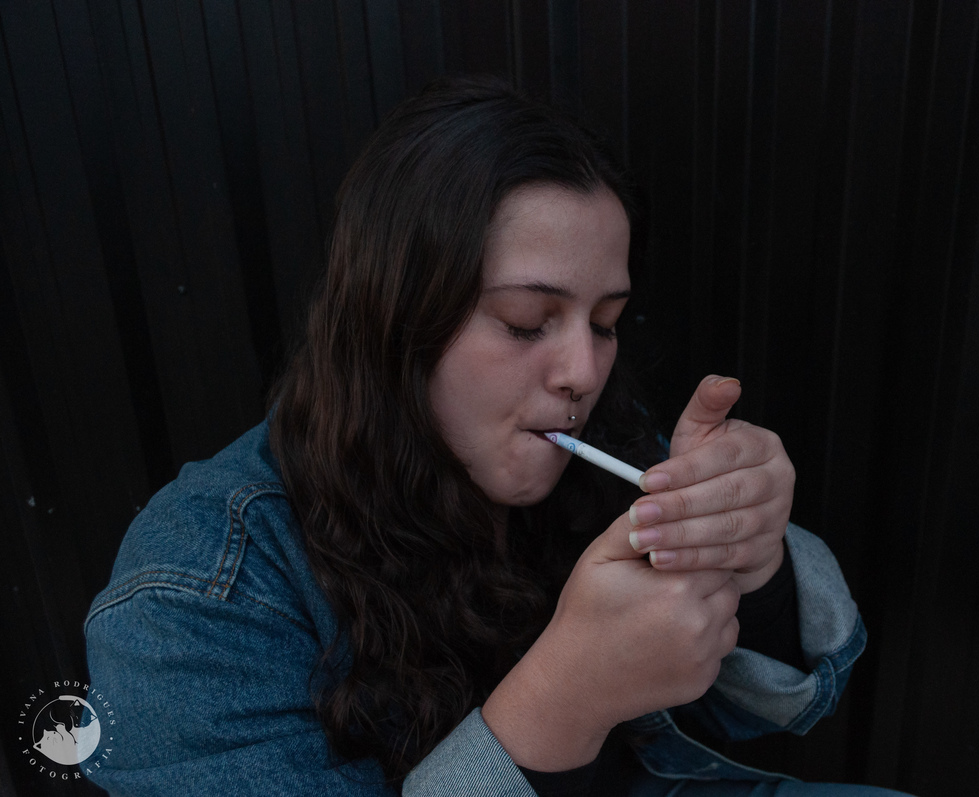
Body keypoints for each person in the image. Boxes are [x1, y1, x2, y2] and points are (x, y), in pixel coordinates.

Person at [84, 76, 905, 796]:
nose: (584, 370)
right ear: (394, 319)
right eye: (525, 320)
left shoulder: (599, 449)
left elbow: (765, 709)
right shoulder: (194, 597)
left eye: (605, 322)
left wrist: (753, 562)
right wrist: (564, 701)